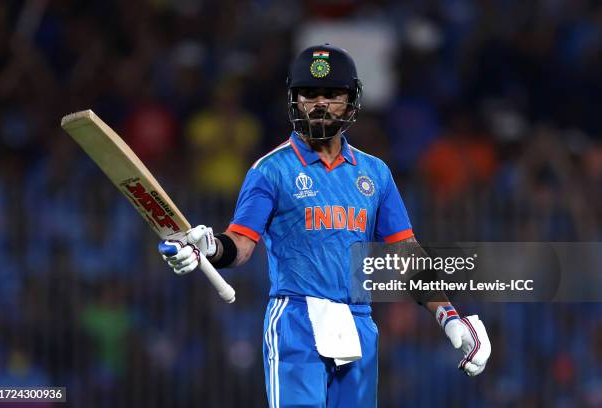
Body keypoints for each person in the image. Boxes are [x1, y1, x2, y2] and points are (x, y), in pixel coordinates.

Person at [158, 44, 491, 407]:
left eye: (332, 94)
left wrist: (448, 315)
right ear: (294, 100)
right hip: (296, 321)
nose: (319, 103)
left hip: (357, 325)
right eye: (309, 93)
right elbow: (241, 243)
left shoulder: (375, 174)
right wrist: (210, 248)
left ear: (351, 102)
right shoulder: (271, 170)